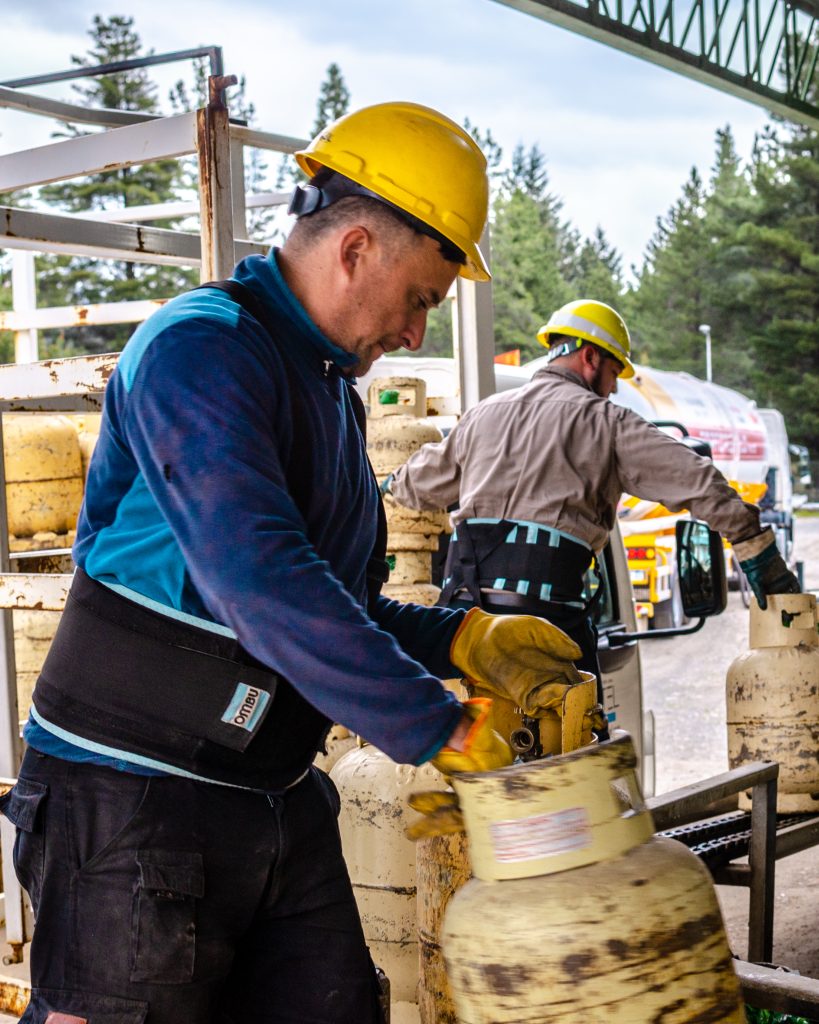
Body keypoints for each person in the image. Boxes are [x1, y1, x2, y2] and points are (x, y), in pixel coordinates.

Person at [0, 102, 587, 1024]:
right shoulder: (202, 349)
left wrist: (464, 638)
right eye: (420, 300)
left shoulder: (326, 390)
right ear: (355, 248)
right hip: (131, 803)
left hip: (269, 790)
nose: (415, 334)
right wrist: (435, 723)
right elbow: (259, 580)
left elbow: (332, 602)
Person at [387, 298, 801, 705]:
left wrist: (378, 482)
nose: (614, 387)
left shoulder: (482, 416)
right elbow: (699, 481)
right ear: (590, 357)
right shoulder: (607, 423)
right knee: (576, 742)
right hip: (546, 631)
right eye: (614, 372)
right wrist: (757, 552)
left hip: (465, 631)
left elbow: (411, 485)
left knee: (468, 741)